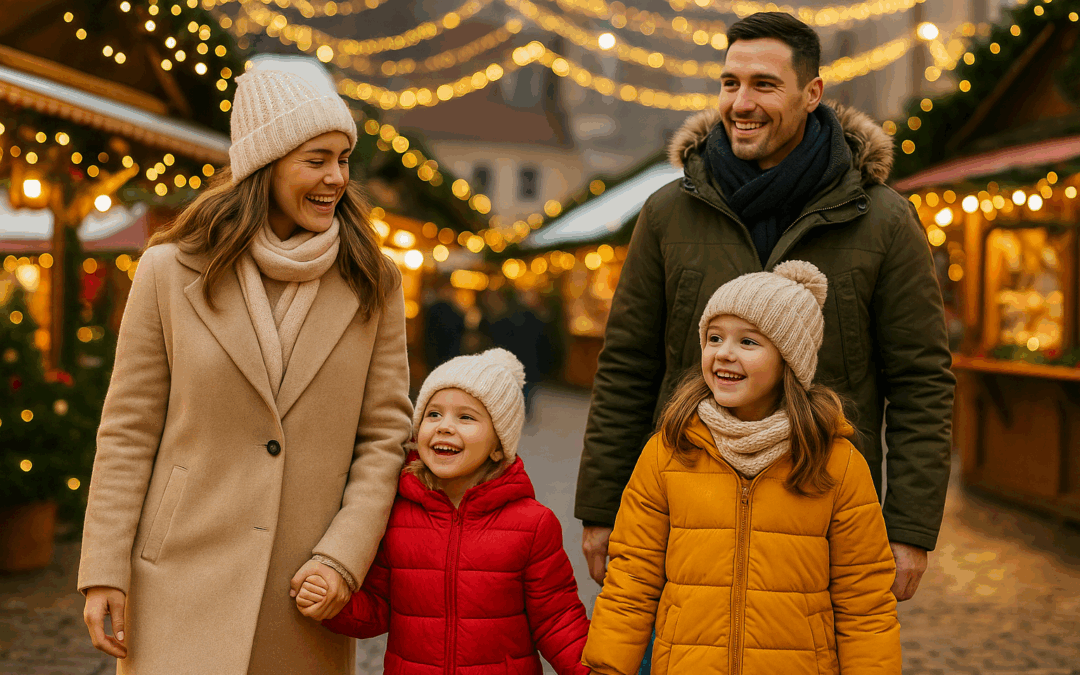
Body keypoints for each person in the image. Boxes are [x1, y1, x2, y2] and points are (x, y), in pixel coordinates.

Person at [576, 11, 954, 606]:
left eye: (764, 85)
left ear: (812, 94)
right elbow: (627, 365)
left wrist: (909, 527)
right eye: (730, 83)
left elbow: (920, 382)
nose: (741, 103)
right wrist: (601, 508)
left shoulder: (883, 220)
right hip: (684, 519)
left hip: (822, 521)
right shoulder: (669, 212)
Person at [78, 62, 412, 674]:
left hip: (304, 591)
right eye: (317, 160)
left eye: (343, 159)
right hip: (176, 576)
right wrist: (103, 567)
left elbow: (385, 439)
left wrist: (343, 557)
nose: (336, 178)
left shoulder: (373, 282)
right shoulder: (169, 271)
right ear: (267, 162)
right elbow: (128, 430)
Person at [582, 263, 901, 674]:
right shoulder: (669, 451)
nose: (724, 353)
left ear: (790, 360)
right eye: (714, 338)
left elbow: (865, 603)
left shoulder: (836, 463)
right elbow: (631, 581)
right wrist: (608, 668)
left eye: (748, 341)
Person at [299, 349, 591, 674]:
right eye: (433, 414)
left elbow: (558, 620)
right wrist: (334, 603)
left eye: (466, 417)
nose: (445, 427)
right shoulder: (396, 516)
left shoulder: (533, 525)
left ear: (498, 446)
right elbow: (378, 608)